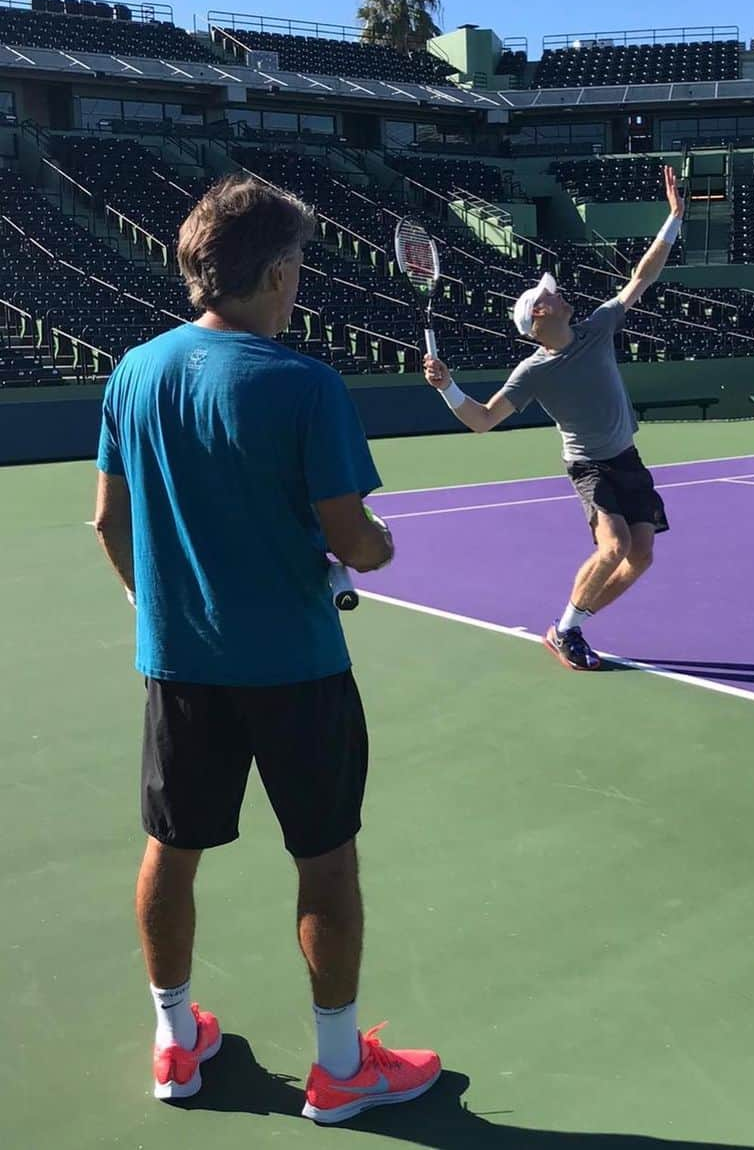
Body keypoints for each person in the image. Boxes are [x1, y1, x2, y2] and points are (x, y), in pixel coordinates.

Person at [93, 175, 440, 1124]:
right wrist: (375, 549)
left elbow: (108, 525)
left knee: (171, 848)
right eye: (299, 270)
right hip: (297, 671)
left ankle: (176, 1045)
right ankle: (340, 1069)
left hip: (180, 671)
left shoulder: (133, 372)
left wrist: (151, 603)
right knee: (325, 860)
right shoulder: (304, 385)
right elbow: (353, 534)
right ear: (279, 273)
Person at [424, 165, 684, 670]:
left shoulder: (598, 325)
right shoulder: (531, 372)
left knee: (642, 556)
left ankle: (572, 625)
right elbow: (481, 420)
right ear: (540, 316)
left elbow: (641, 277)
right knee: (614, 547)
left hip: (626, 456)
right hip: (589, 467)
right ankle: (565, 631)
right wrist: (446, 387)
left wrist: (673, 219)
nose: (559, 292)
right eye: (549, 295)